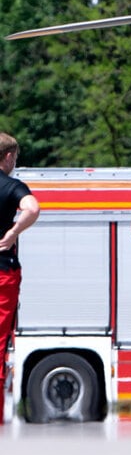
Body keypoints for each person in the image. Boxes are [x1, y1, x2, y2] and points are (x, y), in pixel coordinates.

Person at [0, 134, 40, 378]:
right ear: (7, 156)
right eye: (15, 157)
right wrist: (13, 232)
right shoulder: (11, 186)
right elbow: (32, 208)